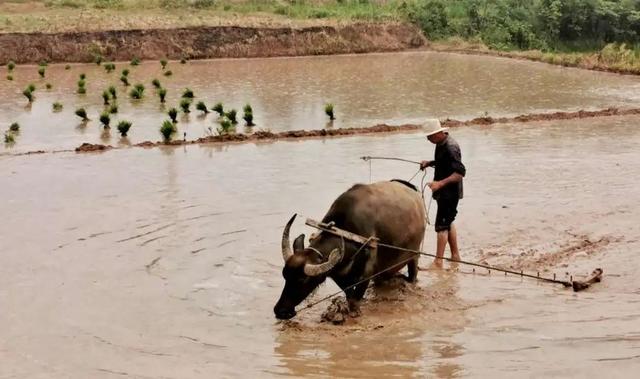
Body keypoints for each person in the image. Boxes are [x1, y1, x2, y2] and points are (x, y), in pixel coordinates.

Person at [420, 120, 466, 268]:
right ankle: (455, 256)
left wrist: (439, 184)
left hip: (449, 193)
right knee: (448, 221)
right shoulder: (440, 144)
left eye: (430, 136)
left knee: (441, 226)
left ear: (439, 133)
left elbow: (459, 173)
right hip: (444, 192)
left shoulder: (451, 147)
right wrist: (430, 163)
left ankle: (438, 261)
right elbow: (444, 162)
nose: (428, 139)